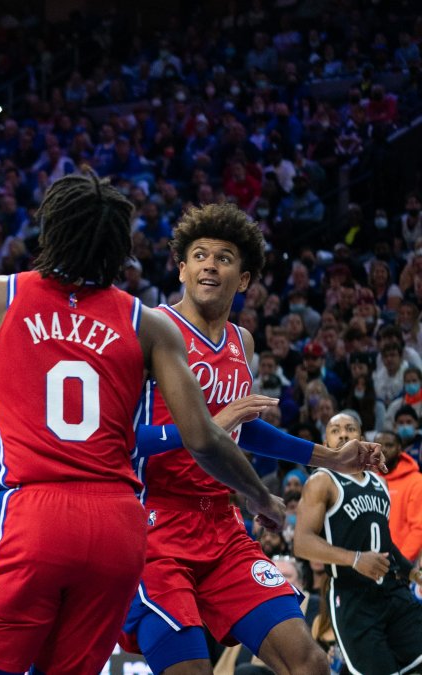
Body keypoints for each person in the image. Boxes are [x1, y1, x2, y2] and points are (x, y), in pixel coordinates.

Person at [0, 171, 284, 675]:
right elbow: (204, 437)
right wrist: (259, 496)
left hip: (34, 512)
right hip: (118, 525)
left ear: (49, 231)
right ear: (119, 248)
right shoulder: (148, 323)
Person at [121, 204, 386, 675]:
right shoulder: (149, 329)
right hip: (154, 526)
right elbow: (118, 437)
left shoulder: (241, 342)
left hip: (221, 526)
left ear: (243, 279)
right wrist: (207, 427)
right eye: (199, 255)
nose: (209, 265)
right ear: (181, 269)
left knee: (309, 663)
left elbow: (245, 427)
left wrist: (333, 458)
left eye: (223, 258)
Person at [295, 412, 422, 675]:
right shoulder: (322, 481)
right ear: (326, 443)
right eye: (335, 430)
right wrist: (354, 559)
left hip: (392, 591)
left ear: (362, 438)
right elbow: (302, 543)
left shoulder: (380, 483)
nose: (343, 434)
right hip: (353, 599)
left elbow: (385, 543)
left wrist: (412, 572)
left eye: (350, 429)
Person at [375, 431, 422, 562]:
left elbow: (419, 528)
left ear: (400, 449)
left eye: (389, 445)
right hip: (369, 562)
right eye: (378, 446)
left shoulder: (416, 481)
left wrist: (400, 563)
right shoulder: (365, 479)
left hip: (402, 564)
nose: (383, 450)